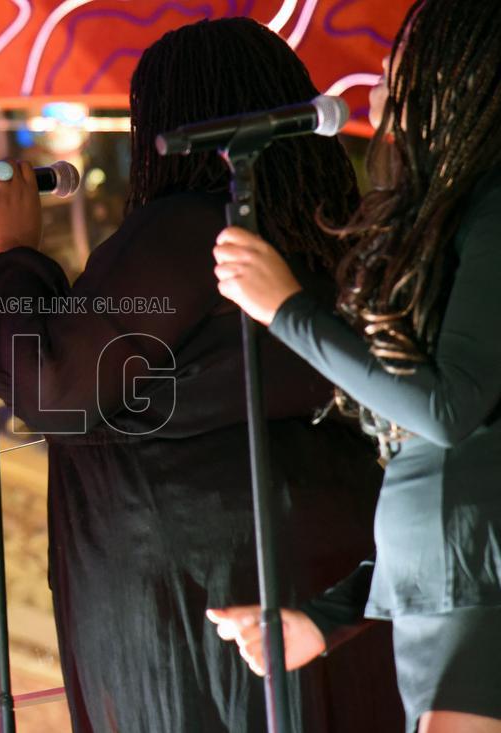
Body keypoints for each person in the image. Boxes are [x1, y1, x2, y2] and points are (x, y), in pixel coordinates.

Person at [0, 17, 402, 733]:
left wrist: (13, 255)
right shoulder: (339, 240)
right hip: (330, 585)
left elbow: (55, 385)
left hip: (203, 600)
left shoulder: (188, 231)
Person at [209, 1, 501, 731]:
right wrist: (323, 618)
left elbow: (446, 410)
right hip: (440, 590)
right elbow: (437, 467)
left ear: (458, 80)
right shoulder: (460, 215)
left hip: (472, 591)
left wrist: (289, 312)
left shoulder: (496, 212)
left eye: (403, 61)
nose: (380, 77)